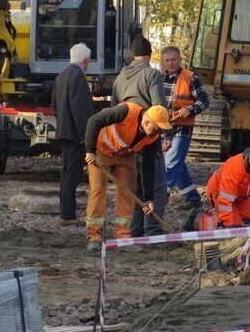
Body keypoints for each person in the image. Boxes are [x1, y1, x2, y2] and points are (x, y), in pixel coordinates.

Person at [83, 102, 172, 250]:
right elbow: (94, 121)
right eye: (157, 129)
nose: (158, 134)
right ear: (147, 121)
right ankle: (95, 236)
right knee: (98, 191)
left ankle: (123, 237)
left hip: (125, 156)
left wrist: (148, 198)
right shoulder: (125, 112)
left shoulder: (153, 138)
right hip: (101, 151)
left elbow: (148, 167)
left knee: (128, 194)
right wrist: (89, 150)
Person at [111, 36, 168, 236]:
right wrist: (166, 135)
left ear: (132, 55)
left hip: (125, 142)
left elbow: (113, 110)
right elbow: (159, 108)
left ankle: (135, 231)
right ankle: (154, 228)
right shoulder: (152, 75)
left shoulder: (120, 77)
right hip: (147, 138)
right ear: (150, 54)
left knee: (133, 186)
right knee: (156, 184)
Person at [51, 43, 96, 227]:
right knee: (72, 174)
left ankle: (66, 212)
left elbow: (54, 104)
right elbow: (80, 109)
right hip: (76, 134)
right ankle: (68, 215)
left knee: (66, 172)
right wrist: (85, 135)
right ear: (86, 60)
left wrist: (62, 122)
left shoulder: (61, 76)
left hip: (64, 131)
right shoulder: (78, 76)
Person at [160, 46, 210, 208]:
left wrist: (190, 109)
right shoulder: (159, 78)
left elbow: (204, 100)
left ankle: (161, 196)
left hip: (182, 129)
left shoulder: (190, 78)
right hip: (164, 128)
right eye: (167, 60)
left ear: (180, 60)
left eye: (173, 60)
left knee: (171, 164)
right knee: (178, 165)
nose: (170, 63)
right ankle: (193, 198)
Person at [203, 149, 250, 228]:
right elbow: (225, 201)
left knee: (248, 220)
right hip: (219, 192)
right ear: (249, 165)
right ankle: (205, 221)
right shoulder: (234, 168)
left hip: (240, 196)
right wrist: (228, 225)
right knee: (236, 224)